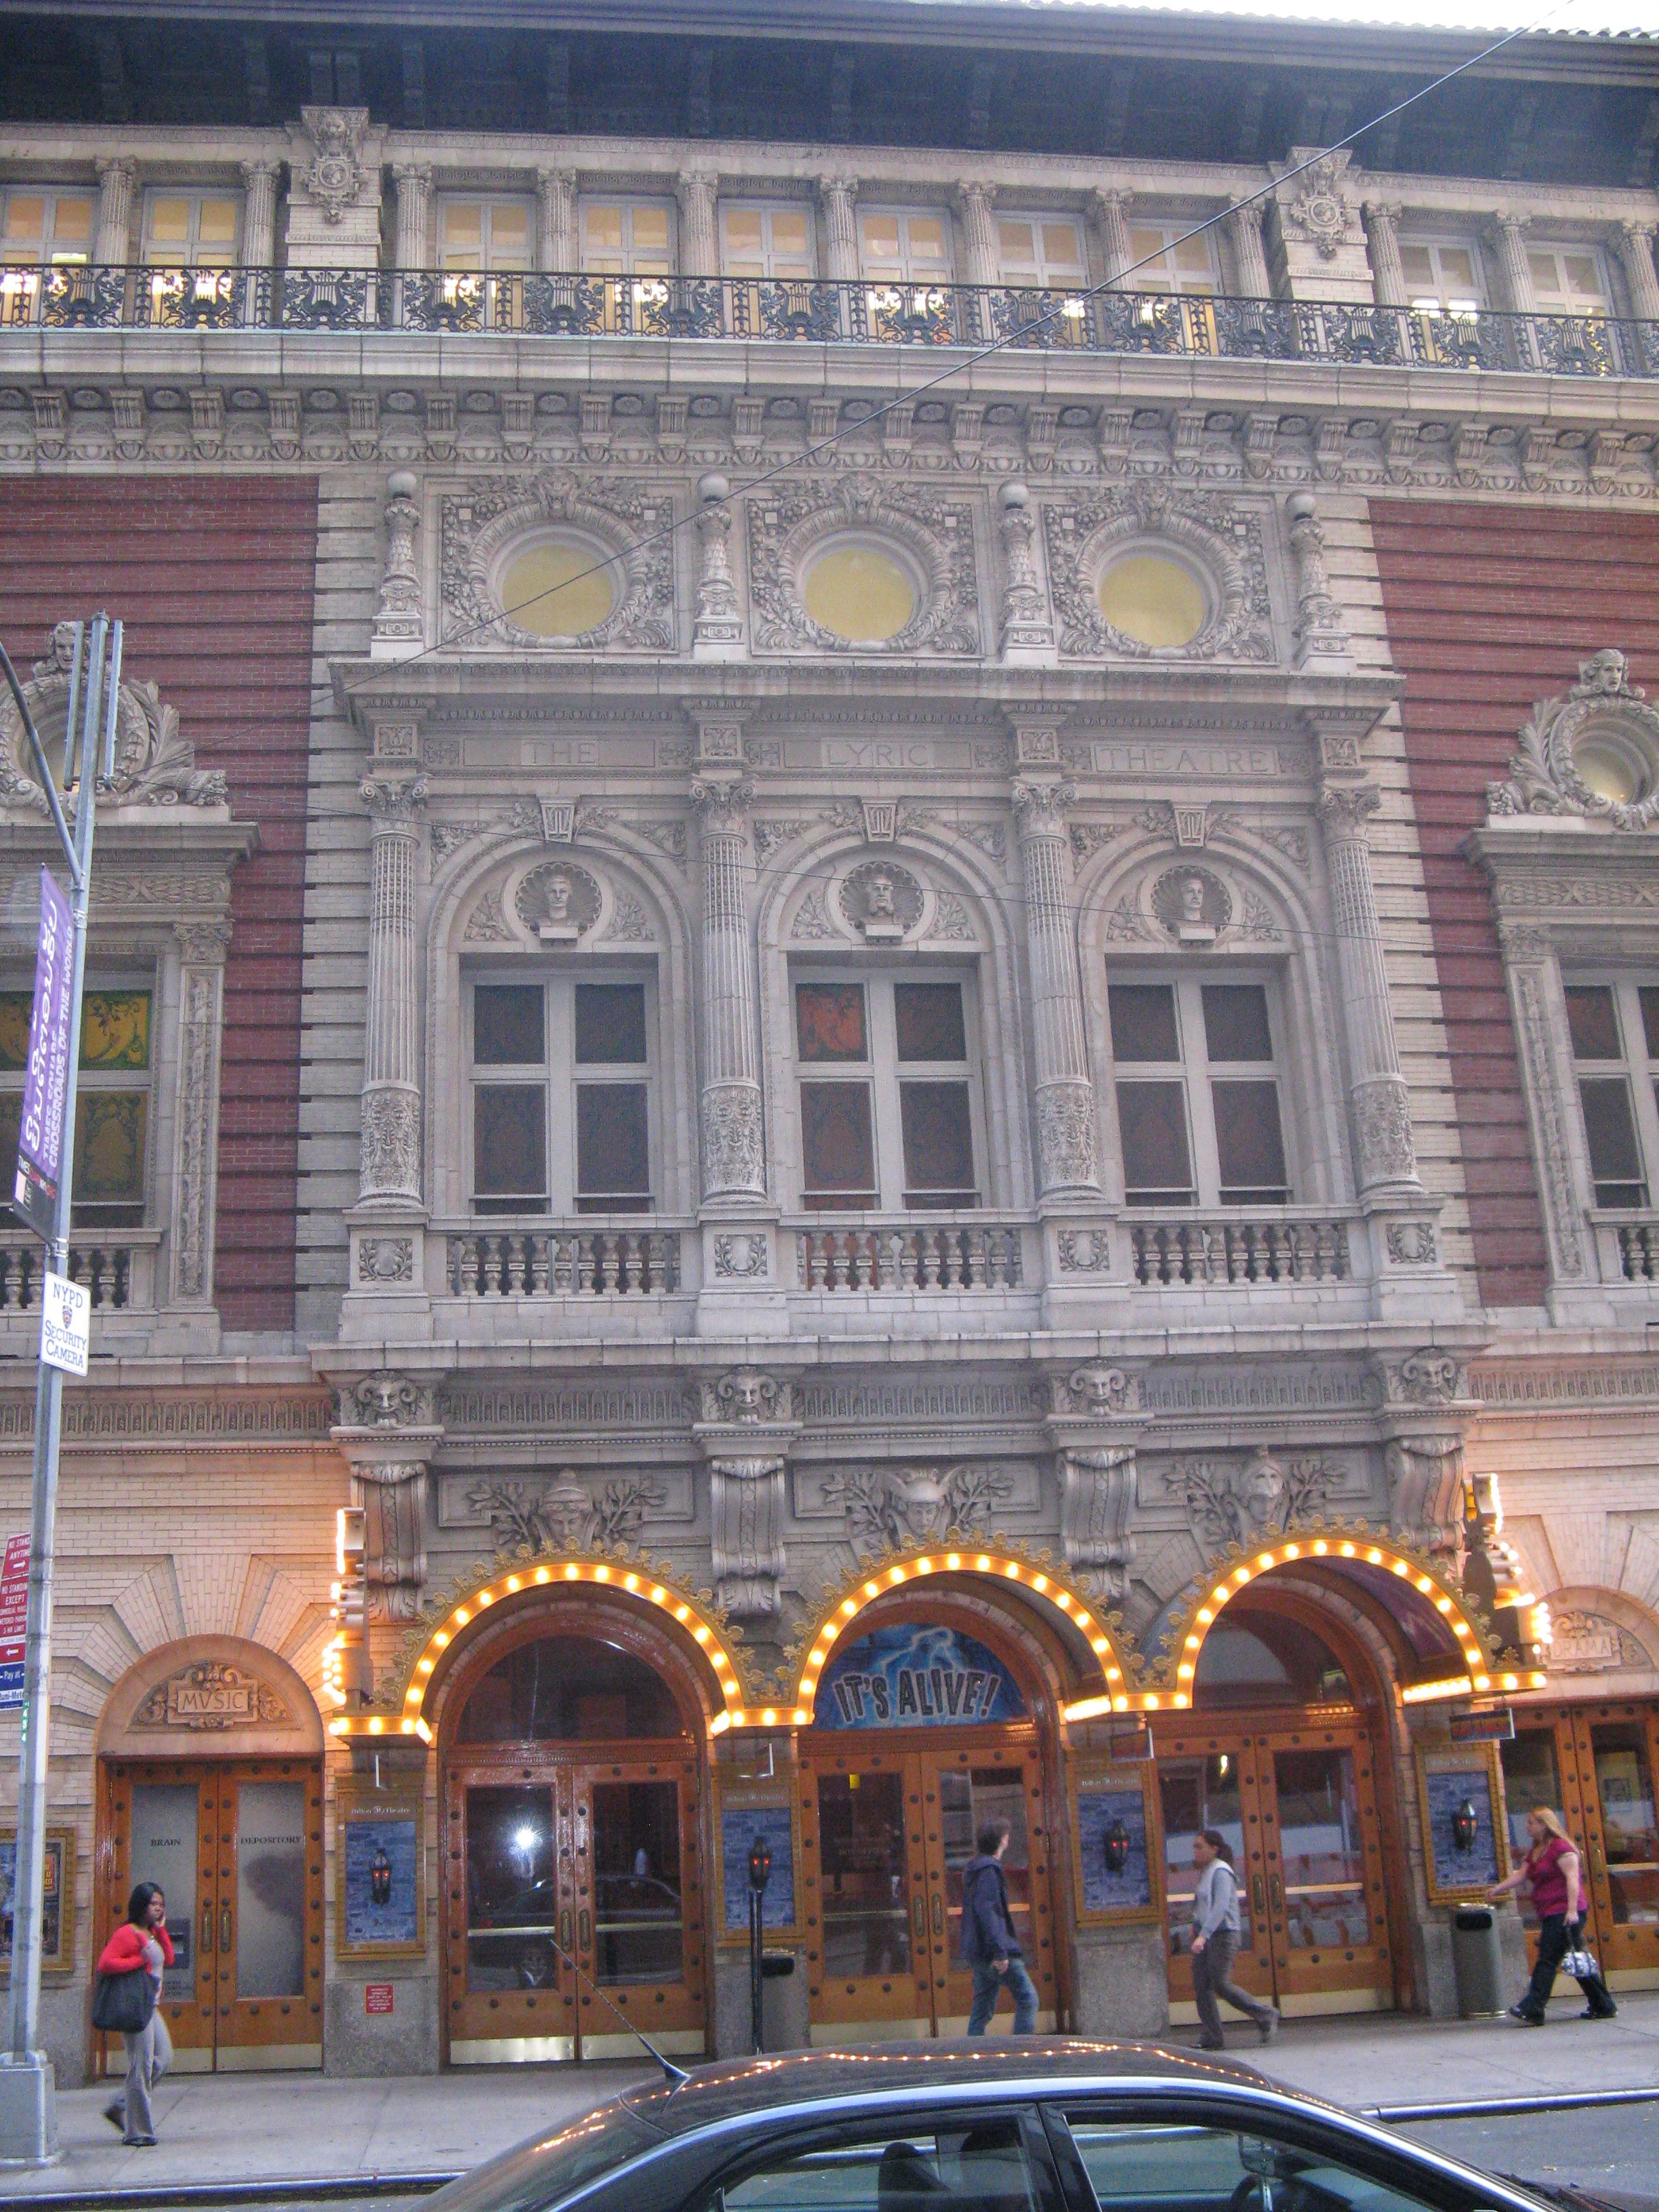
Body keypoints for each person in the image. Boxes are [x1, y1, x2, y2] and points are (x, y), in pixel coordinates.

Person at [1489, 1807, 1617, 2024]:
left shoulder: (1562, 1848)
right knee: (1577, 1959)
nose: (1527, 1826)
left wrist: (1572, 1910)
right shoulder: (1537, 1849)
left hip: (1564, 1913)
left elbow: (1572, 1880)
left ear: (1544, 1825)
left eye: (1531, 1823)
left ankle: (1534, 2007)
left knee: (1547, 1959)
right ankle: (1603, 2004)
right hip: (1551, 1912)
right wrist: (1497, 1889)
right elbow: (1521, 1874)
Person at [1188, 1829, 1279, 2050]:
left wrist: (1203, 1935)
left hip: (1223, 1935)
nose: (1196, 1851)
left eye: (1200, 1846)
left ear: (1214, 1849)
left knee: (1219, 1982)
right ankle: (1212, 2036)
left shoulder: (1221, 1872)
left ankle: (1266, 2014)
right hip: (1207, 1933)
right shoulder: (1207, 1871)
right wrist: (1195, 1924)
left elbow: (1220, 1908)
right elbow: (1202, 1904)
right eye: (1195, 1846)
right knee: (1202, 1985)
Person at [98, 1882, 173, 2146]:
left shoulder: (150, 1933)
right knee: (140, 2066)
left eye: (161, 1904)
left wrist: (162, 1931)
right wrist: (137, 1961)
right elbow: (106, 1963)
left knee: (163, 2058)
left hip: (150, 2006)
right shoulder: (127, 1933)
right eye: (154, 1904)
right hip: (135, 2006)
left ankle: (121, 2104)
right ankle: (138, 2132)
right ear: (141, 1905)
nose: (159, 1908)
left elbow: (170, 1958)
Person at [960, 1820, 1038, 2035]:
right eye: (1006, 1835)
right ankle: (1022, 2052)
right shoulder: (988, 1872)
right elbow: (988, 1913)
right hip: (994, 1951)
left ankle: (973, 2051)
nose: (1008, 1839)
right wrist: (999, 1951)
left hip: (980, 1952)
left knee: (981, 2009)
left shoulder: (977, 1869)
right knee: (1028, 1999)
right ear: (1001, 1840)